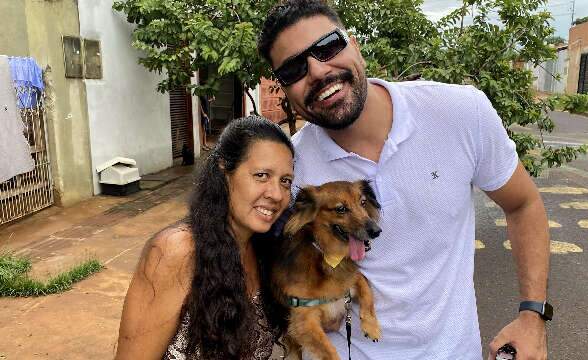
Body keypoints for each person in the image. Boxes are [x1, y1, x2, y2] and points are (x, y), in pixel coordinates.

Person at [258, 1, 552, 359]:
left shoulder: (461, 113)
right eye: (294, 68)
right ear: (283, 88)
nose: (318, 70)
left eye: (327, 46)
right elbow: (257, 256)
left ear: (354, 44)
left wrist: (532, 315)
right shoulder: (288, 168)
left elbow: (523, 204)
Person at [115, 115, 294, 360]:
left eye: (285, 181)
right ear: (225, 171)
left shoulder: (264, 249)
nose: (276, 194)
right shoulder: (177, 251)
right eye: (261, 175)